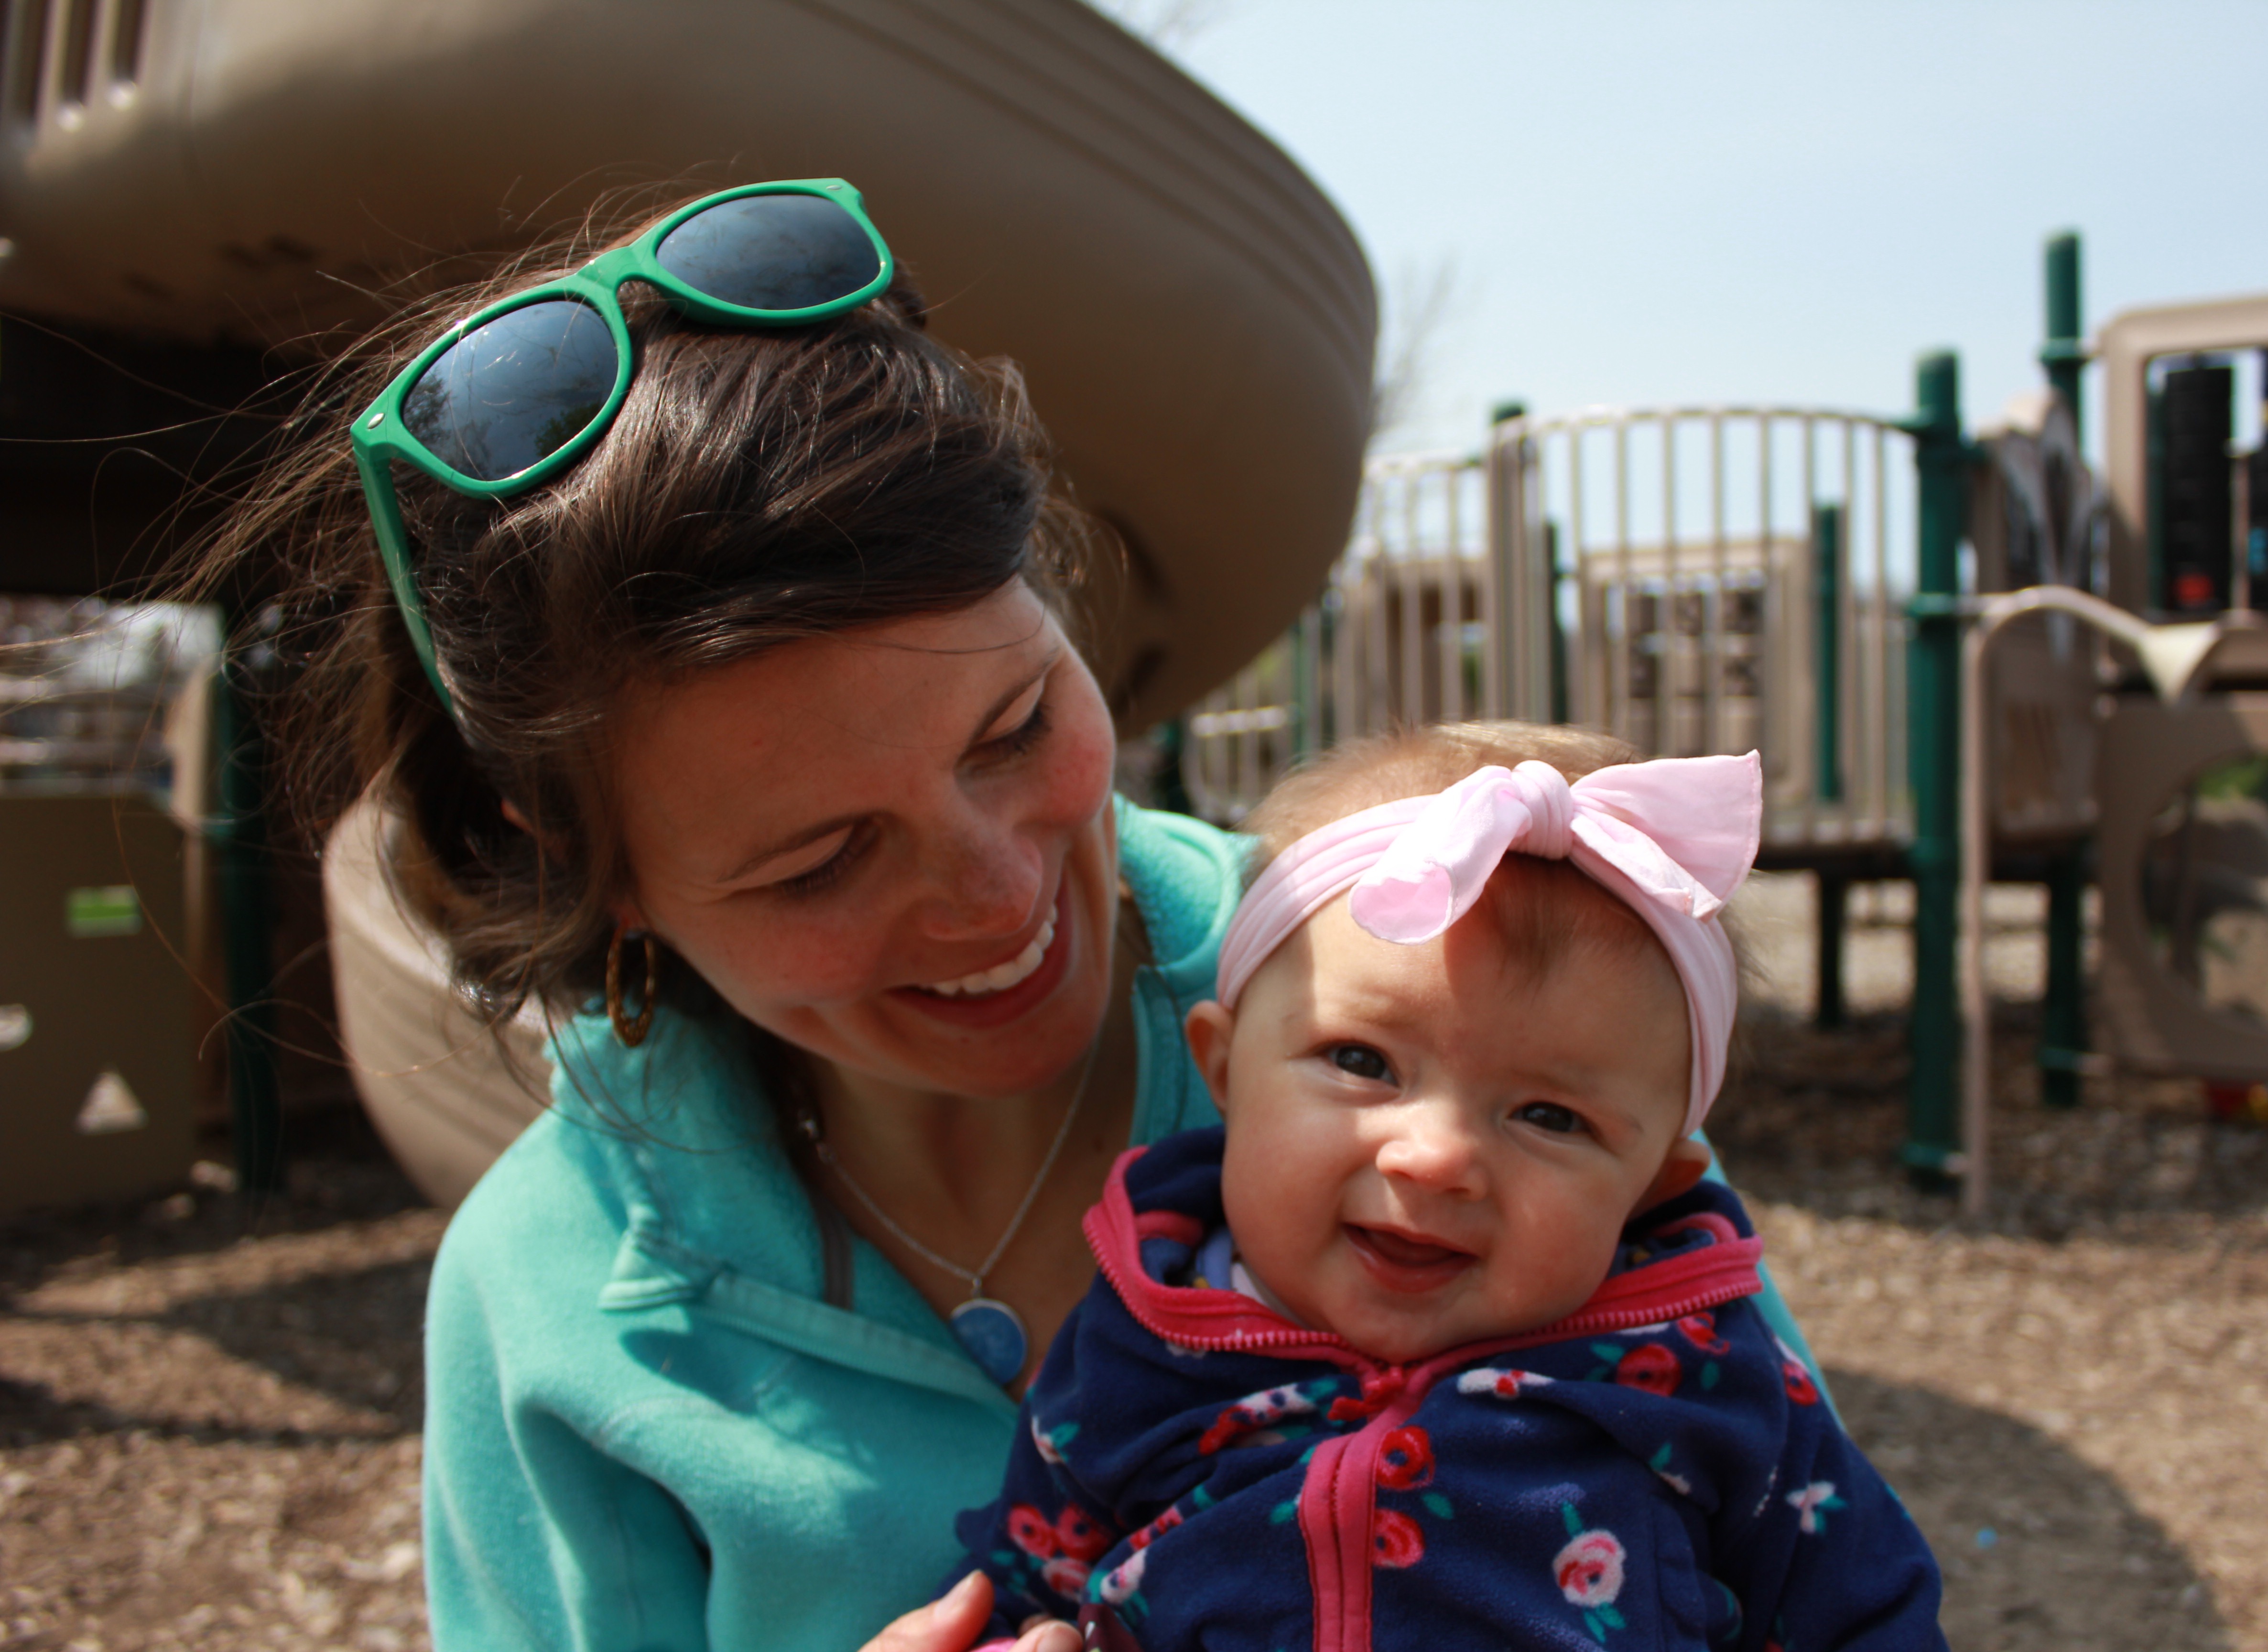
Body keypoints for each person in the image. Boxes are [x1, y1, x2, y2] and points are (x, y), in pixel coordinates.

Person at [192, 178, 1827, 1652]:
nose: (999, 889)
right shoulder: (548, 1299)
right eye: (819, 860)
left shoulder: (1442, 987)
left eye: (1015, 727)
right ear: (588, 870)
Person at [944, 725, 1943, 1650]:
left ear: (1651, 1189)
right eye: (1361, 1062)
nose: (1434, 1157)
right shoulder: (1134, 1349)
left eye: (1549, 1116)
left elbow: (1869, 1616)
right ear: (1225, 1071)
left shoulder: (1708, 1378)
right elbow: (1023, 1589)